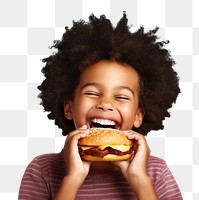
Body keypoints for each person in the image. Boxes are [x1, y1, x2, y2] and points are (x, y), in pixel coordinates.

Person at [19, 13, 183, 200]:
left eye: (121, 96)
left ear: (138, 115)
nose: (105, 104)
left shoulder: (156, 173)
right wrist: (72, 179)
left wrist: (139, 180)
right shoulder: (43, 170)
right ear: (69, 108)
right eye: (92, 93)